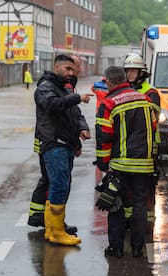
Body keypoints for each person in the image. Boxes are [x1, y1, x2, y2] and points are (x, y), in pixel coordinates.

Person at [95, 66, 157, 258]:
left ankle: (116, 248)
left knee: (116, 205)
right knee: (140, 205)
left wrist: (103, 164)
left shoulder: (109, 103)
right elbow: (153, 127)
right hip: (144, 163)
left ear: (109, 82)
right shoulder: (145, 99)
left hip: (120, 164)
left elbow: (104, 137)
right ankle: (138, 248)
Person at [28, 55, 90, 236]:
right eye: (69, 69)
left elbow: (74, 115)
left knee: (61, 183)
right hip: (53, 144)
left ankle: (55, 223)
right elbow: (52, 105)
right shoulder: (46, 88)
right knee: (55, 183)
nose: (73, 72)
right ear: (56, 67)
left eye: (74, 68)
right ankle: (50, 225)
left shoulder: (64, 87)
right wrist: (77, 98)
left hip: (65, 143)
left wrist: (81, 132)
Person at [123, 52, 161, 230]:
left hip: (148, 148)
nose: (130, 74)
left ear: (142, 72)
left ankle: (147, 221)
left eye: (133, 70)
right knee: (128, 187)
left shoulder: (151, 92)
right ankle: (130, 220)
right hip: (127, 147)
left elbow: (150, 120)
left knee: (146, 187)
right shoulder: (125, 90)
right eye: (128, 70)